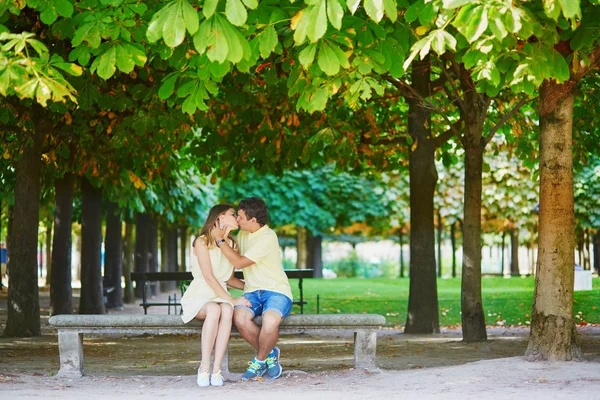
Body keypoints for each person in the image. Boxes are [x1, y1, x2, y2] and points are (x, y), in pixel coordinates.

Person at [217, 197, 293, 381]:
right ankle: (270, 353)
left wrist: (221, 241)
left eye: (240, 217)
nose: (237, 220)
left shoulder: (268, 237)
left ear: (253, 220)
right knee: (240, 318)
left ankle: (259, 361)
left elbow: (239, 262)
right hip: (252, 292)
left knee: (269, 321)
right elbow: (219, 234)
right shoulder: (243, 234)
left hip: (277, 291)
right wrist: (223, 231)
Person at [180, 204, 251, 387]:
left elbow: (228, 278)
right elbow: (209, 278)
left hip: (220, 293)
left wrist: (252, 288)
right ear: (220, 217)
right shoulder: (201, 241)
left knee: (227, 310)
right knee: (214, 310)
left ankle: (216, 370)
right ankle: (204, 367)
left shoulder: (231, 244)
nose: (237, 217)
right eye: (232, 214)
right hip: (201, 293)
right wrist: (232, 299)